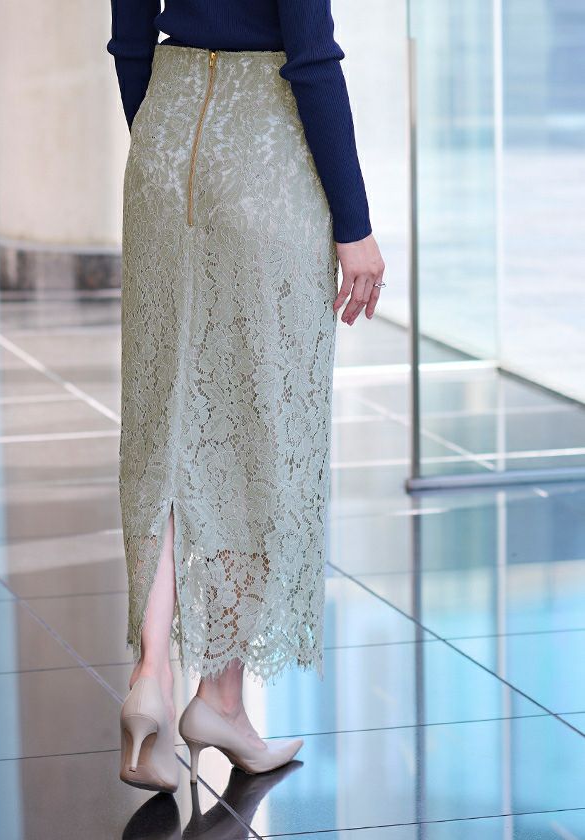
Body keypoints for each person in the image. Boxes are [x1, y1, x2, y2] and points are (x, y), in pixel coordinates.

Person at [107, 0, 386, 794]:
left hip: (164, 139)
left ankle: (152, 678)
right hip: (264, 146)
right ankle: (221, 697)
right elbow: (312, 58)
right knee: (260, 420)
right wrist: (355, 226)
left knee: (163, 420)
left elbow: (129, 40)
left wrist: (170, 153)